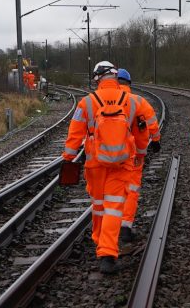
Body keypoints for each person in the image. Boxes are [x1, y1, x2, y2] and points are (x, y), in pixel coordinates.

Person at [61, 61, 136, 274]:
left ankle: (100, 242)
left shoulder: (86, 103)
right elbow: (139, 131)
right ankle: (107, 254)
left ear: (97, 78)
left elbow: (75, 133)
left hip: (95, 163)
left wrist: (68, 157)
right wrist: (139, 152)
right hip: (121, 163)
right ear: (114, 76)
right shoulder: (130, 100)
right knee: (114, 208)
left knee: (99, 205)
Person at [115, 68, 161, 246]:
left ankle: (109, 225)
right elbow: (152, 122)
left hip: (111, 155)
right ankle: (126, 226)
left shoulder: (105, 100)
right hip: (135, 154)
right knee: (132, 188)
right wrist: (156, 140)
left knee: (113, 189)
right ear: (129, 83)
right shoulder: (138, 101)